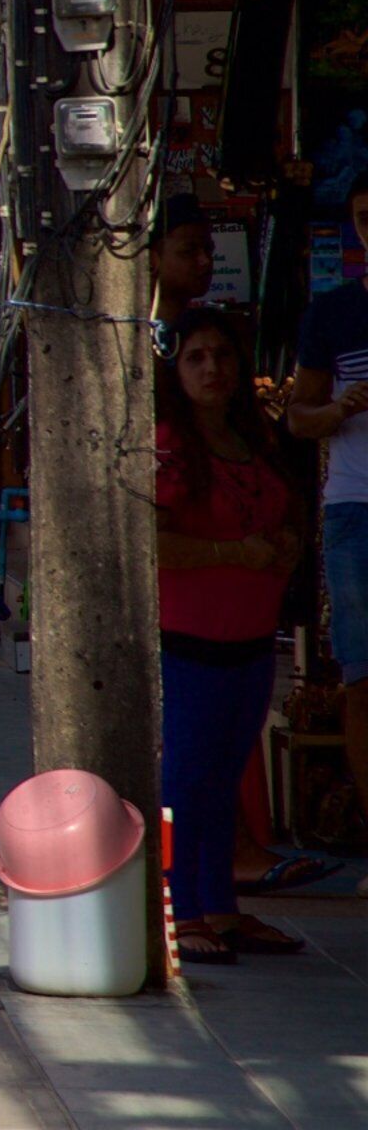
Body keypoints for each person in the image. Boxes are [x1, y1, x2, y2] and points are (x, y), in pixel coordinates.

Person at [155, 310, 307, 963]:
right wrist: (232, 551)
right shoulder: (167, 444)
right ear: (175, 369)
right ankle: (177, 911)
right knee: (185, 783)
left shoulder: (258, 438)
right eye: (195, 357)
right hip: (190, 642)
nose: (212, 368)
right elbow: (151, 542)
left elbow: (289, 511)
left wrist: (288, 547)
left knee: (222, 785)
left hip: (251, 641)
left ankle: (220, 908)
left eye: (221, 355)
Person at [283, 177, 368, 853]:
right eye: (367, 219)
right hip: (354, 510)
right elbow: (298, 417)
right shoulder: (334, 314)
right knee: (362, 680)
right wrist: (340, 410)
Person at [150, 195, 218, 357]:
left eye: (208, 250)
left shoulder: (214, 336)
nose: (205, 261)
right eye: (189, 251)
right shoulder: (133, 336)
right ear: (152, 260)